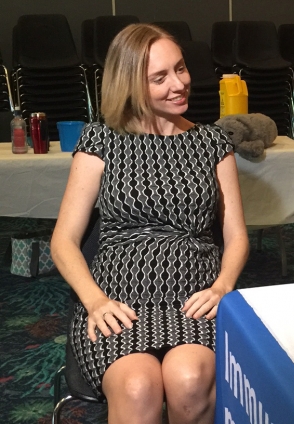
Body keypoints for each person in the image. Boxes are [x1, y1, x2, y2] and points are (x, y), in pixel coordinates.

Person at [51, 23, 249, 423]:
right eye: (160, 77)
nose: (179, 84)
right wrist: (94, 301)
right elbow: (64, 241)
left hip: (195, 298)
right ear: (130, 84)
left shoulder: (212, 141)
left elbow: (236, 234)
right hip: (117, 300)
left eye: (180, 68)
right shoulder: (101, 140)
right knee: (137, 386)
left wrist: (223, 286)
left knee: (189, 379)